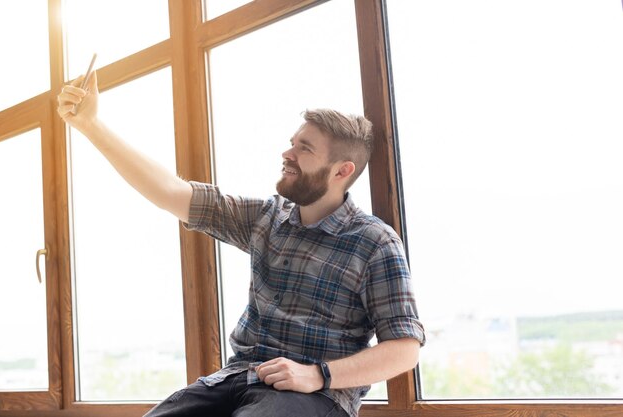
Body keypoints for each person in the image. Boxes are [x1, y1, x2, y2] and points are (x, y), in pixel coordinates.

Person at [57, 71, 426, 417]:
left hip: (315, 397)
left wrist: (318, 374)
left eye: (305, 148)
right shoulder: (267, 218)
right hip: (237, 378)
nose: (288, 153)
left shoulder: (374, 242)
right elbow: (171, 191)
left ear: (342, 171)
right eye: (292, 143)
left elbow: (405, 349)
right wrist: (91, 124)